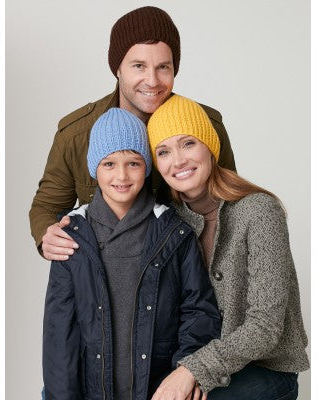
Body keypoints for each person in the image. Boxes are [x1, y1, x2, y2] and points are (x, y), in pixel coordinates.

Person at [29, 6, 236, 261]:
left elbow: (230, 203)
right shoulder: (77, 134)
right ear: (117, 69)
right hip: (110, 275)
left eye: (163, 67)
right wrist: (47, 235)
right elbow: (47, 206)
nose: (152, 80)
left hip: (190, 272)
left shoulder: (206, 126)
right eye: (139, 66)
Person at [42, 107, 222, 400]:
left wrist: (185, 372)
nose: (122, 175)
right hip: (93, 390)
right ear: (94, 169)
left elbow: (198, 311)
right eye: (109, 164)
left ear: (147, 167)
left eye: (133, 163)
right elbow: (59, 331)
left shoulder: (174, 232)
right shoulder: (72, 235)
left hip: (159, 388)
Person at [146, 95, 310, 400]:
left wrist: (192, 371)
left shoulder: (259, 211)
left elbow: (265, 326)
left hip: (266, 369)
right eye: (164, 151)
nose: (178, 161)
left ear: (210, 146)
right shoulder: (167, 219)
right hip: (199, 361)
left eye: (188, 143)